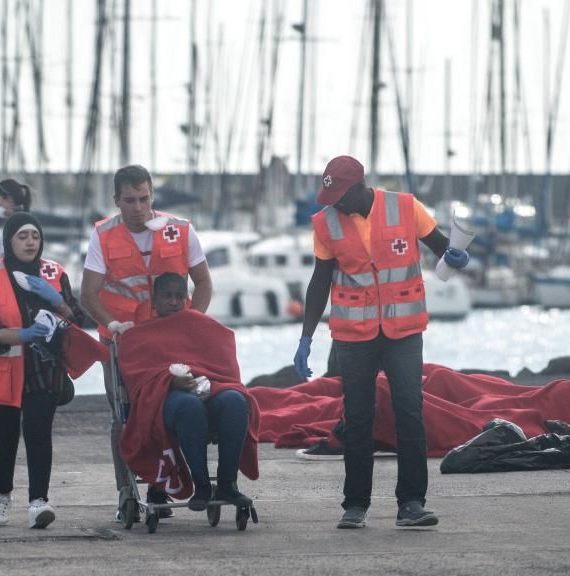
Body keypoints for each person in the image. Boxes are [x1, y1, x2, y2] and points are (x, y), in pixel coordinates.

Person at [293, 155, 470, 530]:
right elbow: (319, 280)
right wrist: (306, 337)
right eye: (332, 196)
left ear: (360, 185)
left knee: (409, 413)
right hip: (353, 336)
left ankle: (411, 503)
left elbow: (440, 246)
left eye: (342, 194)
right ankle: (355, 505)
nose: (336, 203)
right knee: (358, 418)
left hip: (403, 332)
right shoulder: (325, 223)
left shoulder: (405, 207)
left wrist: (455, 256)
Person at [78, 164, 213, 518]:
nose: (138, 207)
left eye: (144, 199)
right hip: (123, 342)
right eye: (129, 201)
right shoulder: (103, 235)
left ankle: (160, 487)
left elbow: (203, 282)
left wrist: (192, 323)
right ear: (116, 201)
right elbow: (88, 294)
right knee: (123, 416)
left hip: (171, 341)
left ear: (152, 195)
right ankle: (126, 491)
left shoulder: (179, 230)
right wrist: (113, 324)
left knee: (170, 412)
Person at [0, 212, 86, 528]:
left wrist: (57, 301)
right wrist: (22, 335)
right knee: (5, 437)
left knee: (38, 433)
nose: (30, 242)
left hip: (43, 367)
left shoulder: (54, 272)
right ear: (8, 240)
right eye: (22, 236)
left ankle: (39, 502)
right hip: (2, 368)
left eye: (34, 235)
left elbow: (76, 319)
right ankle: (3, 496)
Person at [151, 273, 253, 510]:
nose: (175, 302)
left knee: (235, 400)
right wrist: (169, 382)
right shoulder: (139, 334)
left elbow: (224, 364)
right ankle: (202, 486)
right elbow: (140, 379)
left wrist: (203, 378)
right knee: (189, 406)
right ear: (153, 300)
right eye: (168, 296)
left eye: (179, 296)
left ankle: (228, 485)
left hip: (209, 390)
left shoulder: (203, 327)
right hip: (166, 400)